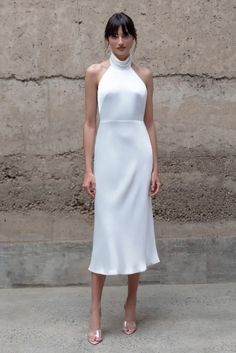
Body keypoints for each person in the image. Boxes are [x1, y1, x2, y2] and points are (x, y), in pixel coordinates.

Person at [82, 12, 161, 345]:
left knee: (135, 231)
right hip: (110, 161)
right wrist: (88, 168)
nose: (120, 41)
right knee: (105, 232)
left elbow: (149, 123)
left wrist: (155, 167)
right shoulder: (95, 73)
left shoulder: (144, 75)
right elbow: (89, 123)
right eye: (114, 35)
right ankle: (96, 310)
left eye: (125, 35)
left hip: (138, 162)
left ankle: (131, 302)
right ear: (107, 39)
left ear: (133, 38)